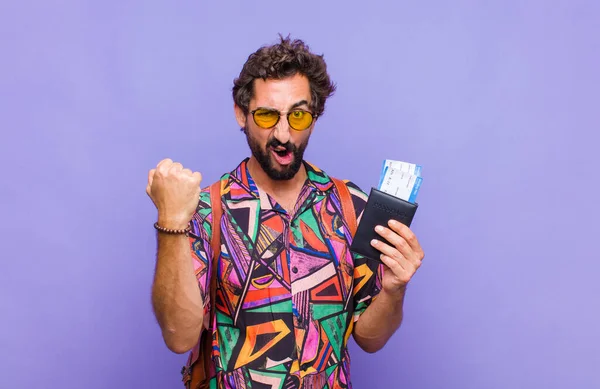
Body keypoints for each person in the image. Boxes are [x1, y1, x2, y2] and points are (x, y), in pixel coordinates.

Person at [146, 35, 425, 389]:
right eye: (266, 115)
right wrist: (171, 223)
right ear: (241, 114)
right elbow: (179, 337)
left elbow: (371, 339)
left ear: (314, 115)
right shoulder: (205, 211)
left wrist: (394, 289)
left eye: (298, 115)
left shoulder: (351, 207)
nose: (283, 134)